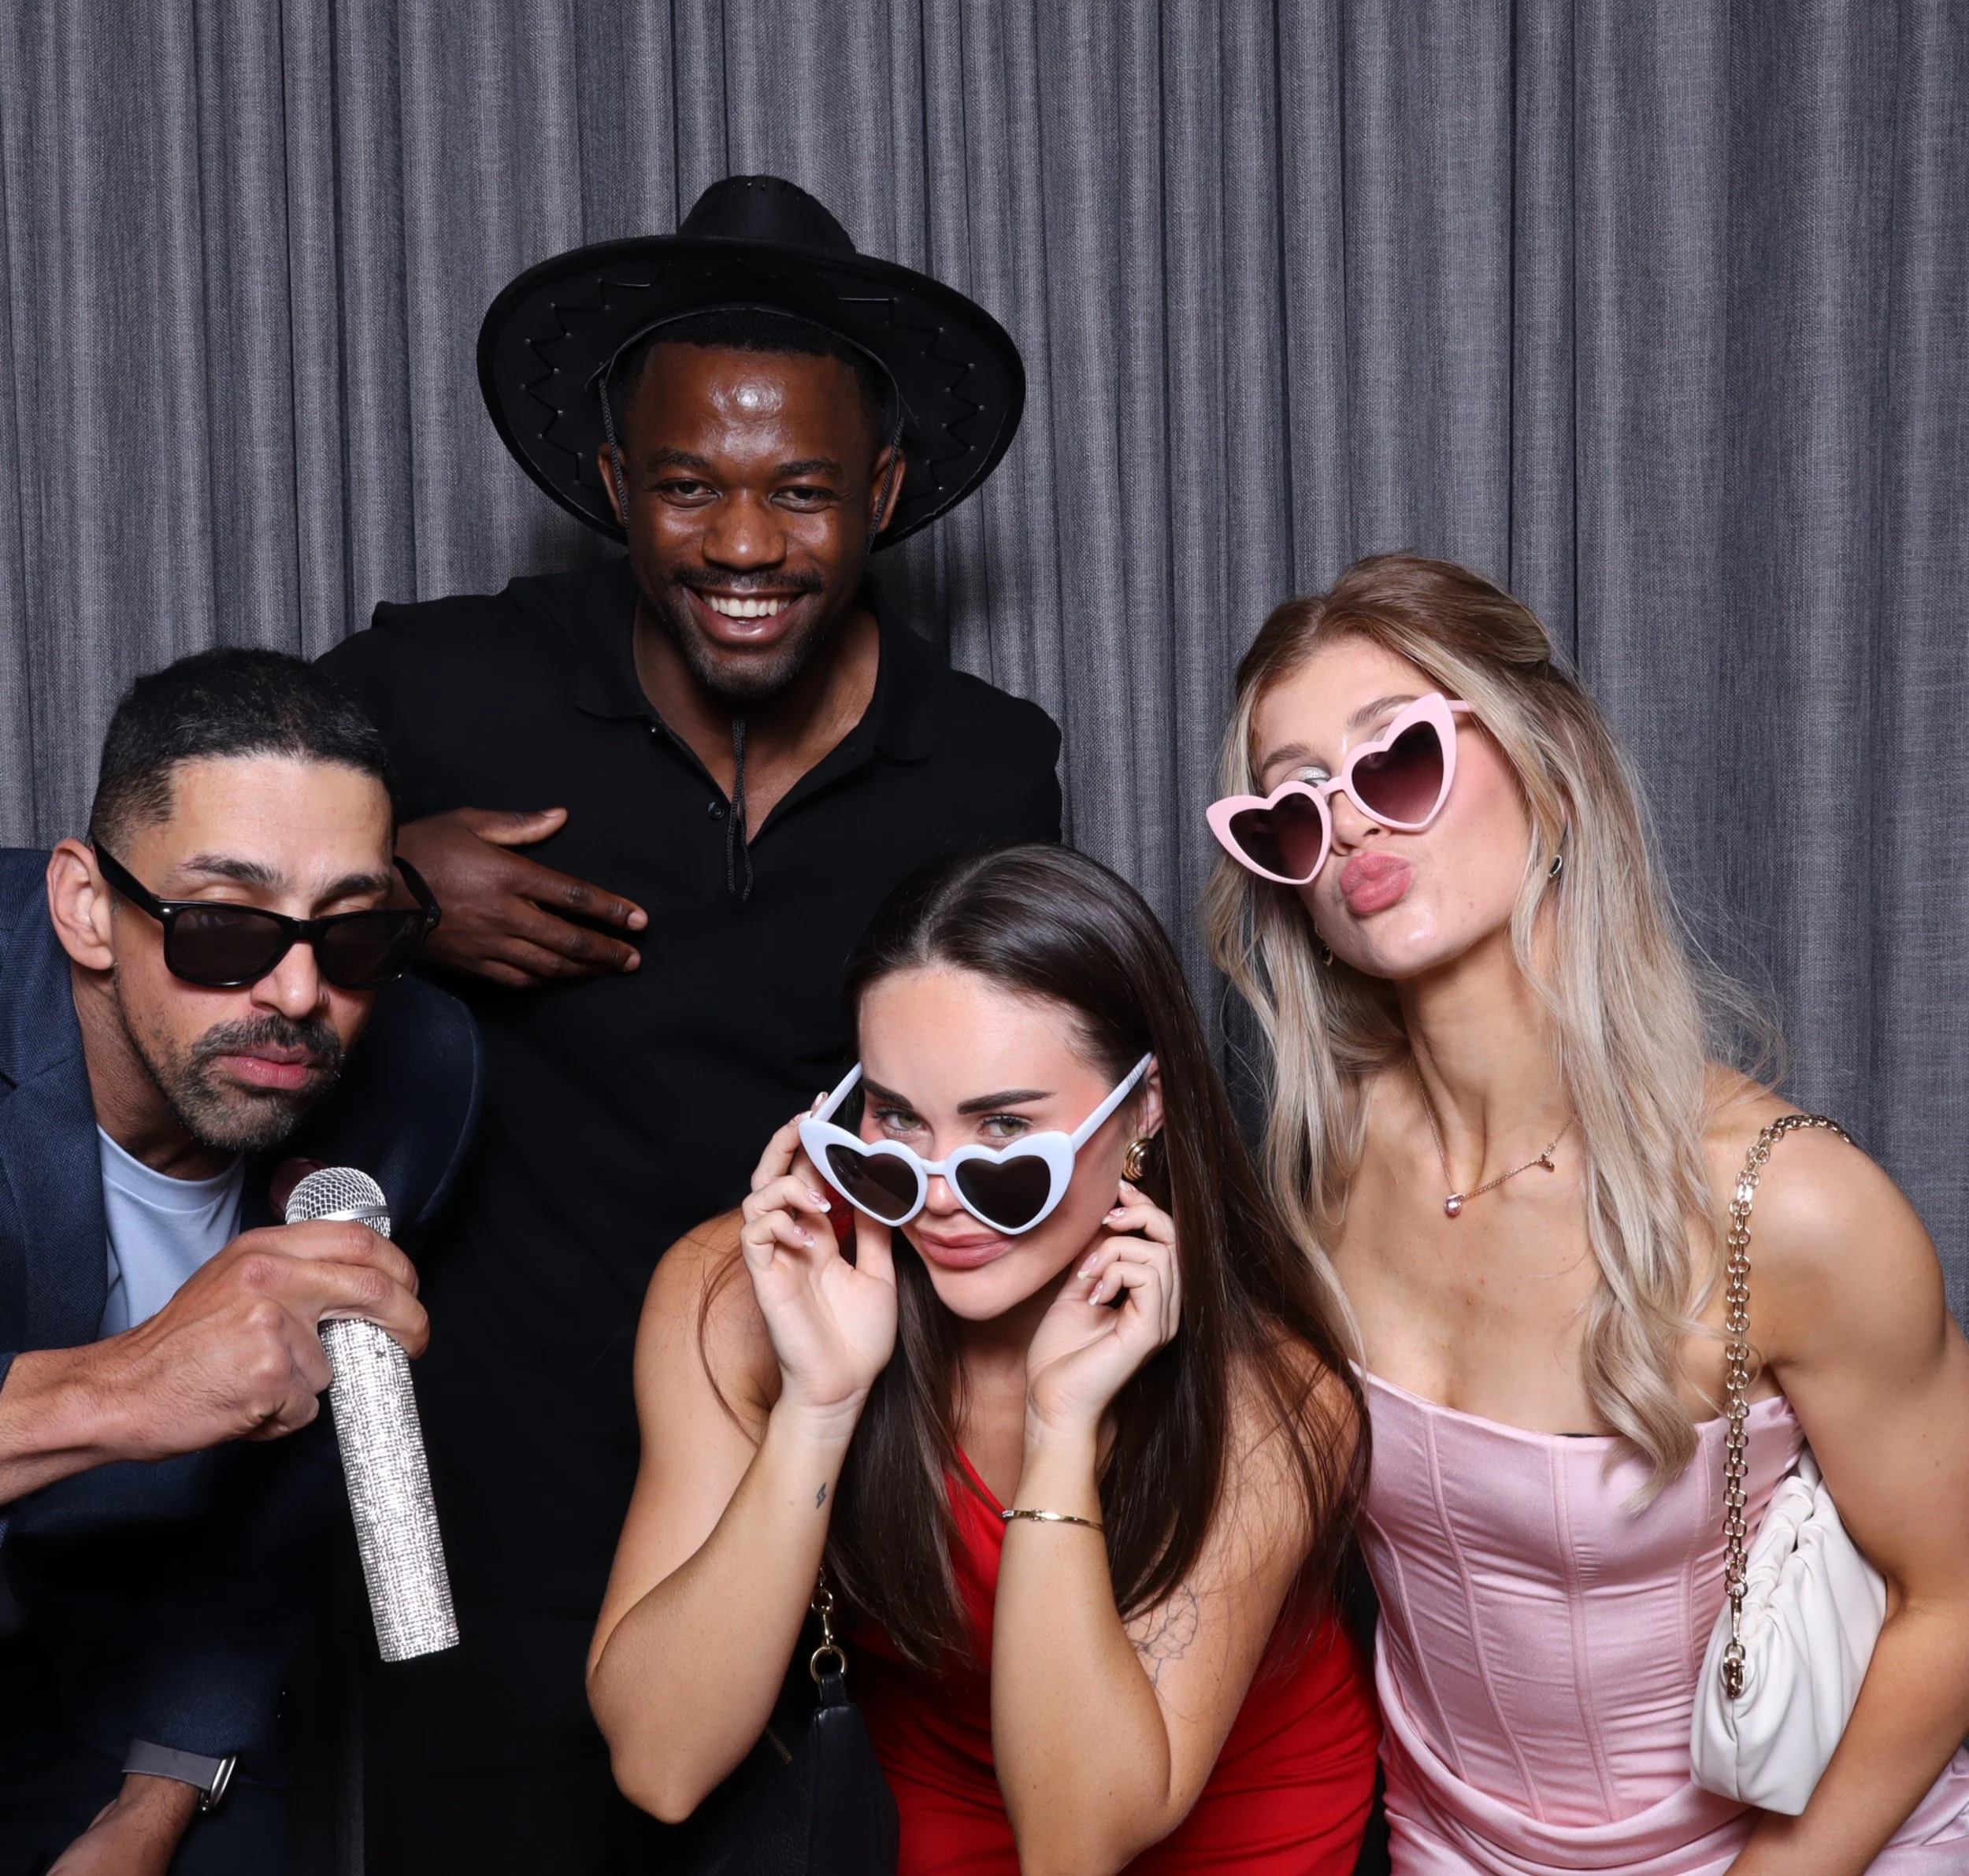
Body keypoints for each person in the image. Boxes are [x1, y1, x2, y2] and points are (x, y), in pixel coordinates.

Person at [320, 174, 1061, 1869]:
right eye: (687, 486)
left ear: (878, 493)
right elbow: (170, 883)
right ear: (611, 488)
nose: (742, 543)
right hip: (482, 1530)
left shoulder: (988, 760)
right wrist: (390, 886)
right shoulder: (440, 688)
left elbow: (1040, 1111)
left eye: (801, 490)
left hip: (824, 1536)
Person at [1202, 552, 1969, 1874]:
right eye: (1295, 808)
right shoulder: (1317, 1178)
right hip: (1446, 1843)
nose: (1354, 831)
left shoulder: (1787, 1205)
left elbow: (1953, 1602)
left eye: (1397, 762)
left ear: (1548, 771)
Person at [591, 843, 1380, 1875]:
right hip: (923, 1825)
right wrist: (819, 1406)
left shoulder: (1268, 1395)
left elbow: (1076, 1841)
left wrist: (1063, 1432)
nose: (940, 1191)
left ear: (1144, 1111)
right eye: (894, 1122)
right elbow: (662, 1763)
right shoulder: (747, 1292)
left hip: (1211, 1838)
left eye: (1006, 1132)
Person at [0, 648, 479, 1876]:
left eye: (355, 931)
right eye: (221, 927)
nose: (301, 992)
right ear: (84, 907)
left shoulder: (417, 1071)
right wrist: (124, 1387)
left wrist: (151, 1804)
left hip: (148, 1662)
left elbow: (287, 1498)